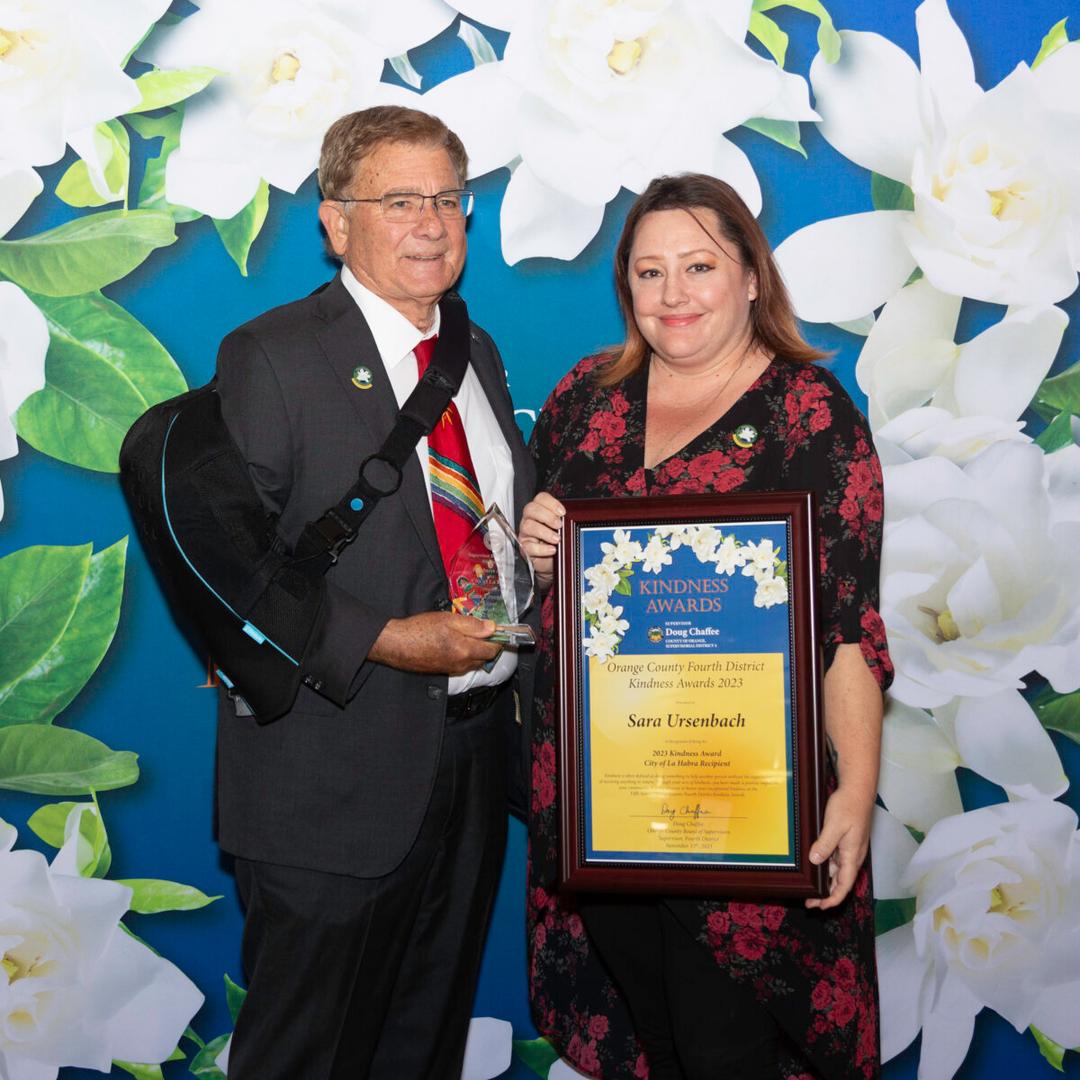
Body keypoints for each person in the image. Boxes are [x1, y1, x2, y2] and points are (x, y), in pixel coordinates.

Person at [518, 173, 892, 1080]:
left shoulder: (813, 415)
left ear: (753, 278)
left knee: (730, 1048)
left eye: (699, 266)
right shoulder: (586, 399)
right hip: (605, 799)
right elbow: (541, 598)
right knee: (652, 1038)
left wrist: (853, 796)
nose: (673, 295)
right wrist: (537, 558)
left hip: (750, 811)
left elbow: (848, 632)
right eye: (649, 273)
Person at [213, 105, 535, 1079]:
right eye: (400, 200)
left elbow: (472, 529)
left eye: (448, 198)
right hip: (330, 779)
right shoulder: (270, 356)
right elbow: (225, 572)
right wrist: (388, 640)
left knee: (422, 1048)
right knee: (306, 1058)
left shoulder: (470, 355)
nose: (432, 223)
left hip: (473, 767)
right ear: (336, 219)